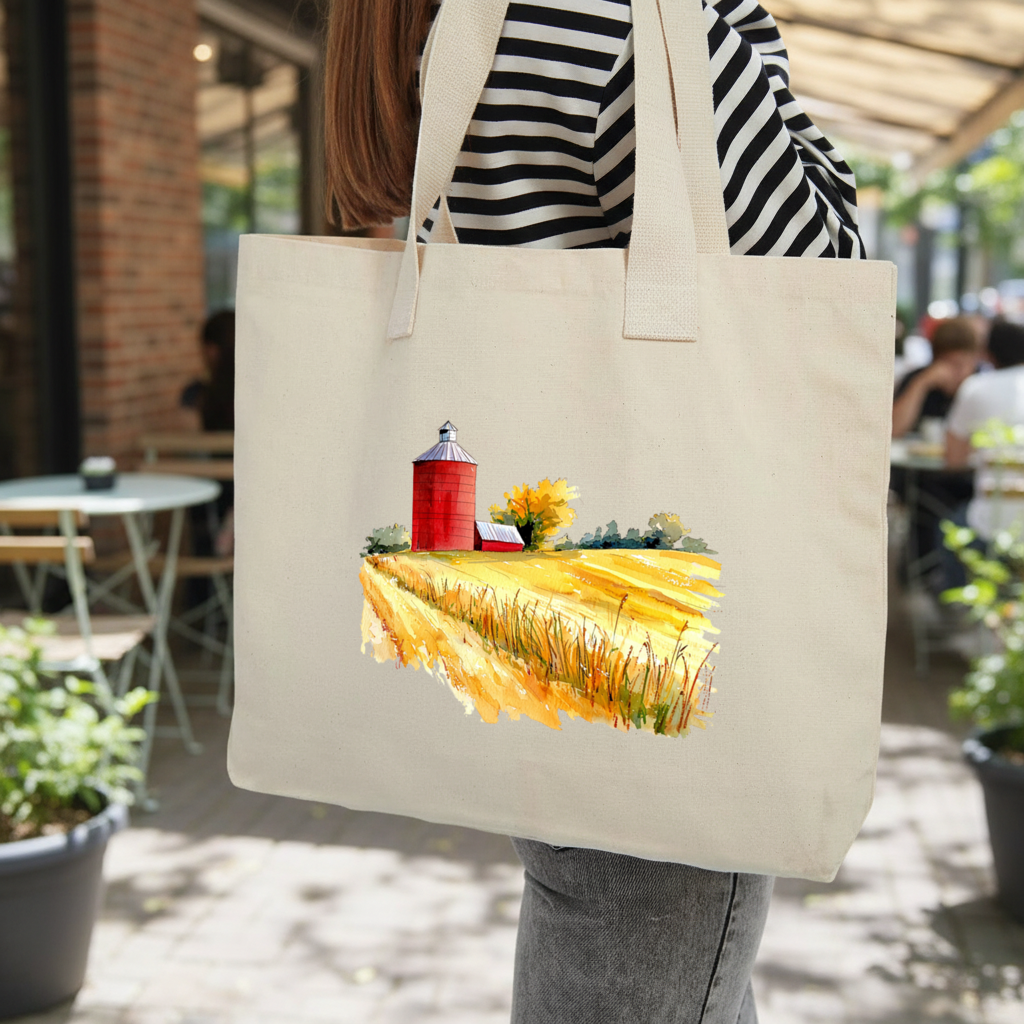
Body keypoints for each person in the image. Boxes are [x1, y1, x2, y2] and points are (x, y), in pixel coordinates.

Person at [324, 2, 865, 1021]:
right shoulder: (613, 15)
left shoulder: (447, 22)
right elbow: (819, 263)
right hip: (660, 659)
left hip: (552, 634)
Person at [946, 320, 1024, 540]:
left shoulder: (977, 387)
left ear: (989, 353)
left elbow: (953, 459)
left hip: (990, 527)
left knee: (947, 530)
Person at [892, 317, 980, 439]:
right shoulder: (918, 378)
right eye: (949, 364)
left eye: (961, 365)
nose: (955, 373)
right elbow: (893, 430)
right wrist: (921, 384)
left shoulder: (980, 383)